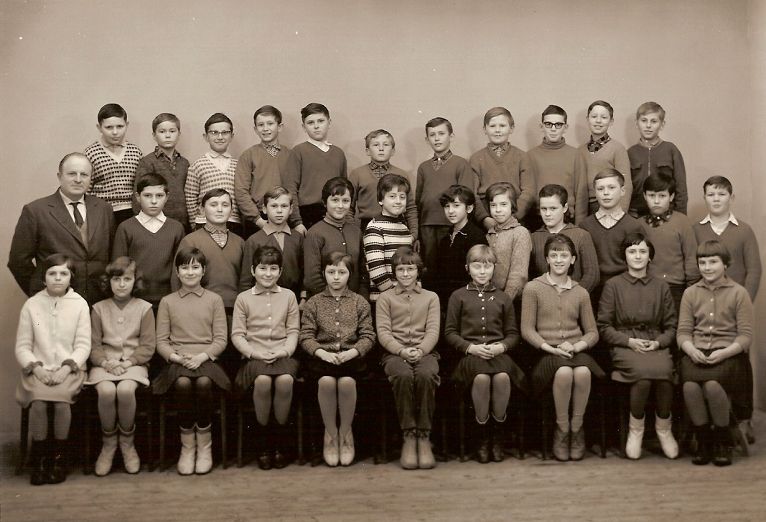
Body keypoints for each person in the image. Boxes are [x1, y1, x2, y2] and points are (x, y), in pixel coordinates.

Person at [521, 234, 603, 461]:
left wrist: (576, 346)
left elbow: (592, 332)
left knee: (583, 371)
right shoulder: (533, 288)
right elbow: (527, 330)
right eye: (554, 255)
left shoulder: (580, 292)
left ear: (573, 259)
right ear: (547, 259)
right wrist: (550, 348)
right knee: (564, 371)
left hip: (575, 352)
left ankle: (577, 428)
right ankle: (562, 429)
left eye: (564, 255)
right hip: (546, 354)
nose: (559, 260)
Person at [597, 233, 679, 460]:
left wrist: (658, 342)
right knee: (642, 376)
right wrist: (629, 342)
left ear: (650, 256)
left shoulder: (661, 286)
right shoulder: (613, 286)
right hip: (625, 344)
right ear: (624, 256)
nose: (637, 256)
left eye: (643, 251)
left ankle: (664, 429)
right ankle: (636, 430)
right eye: (632, 251)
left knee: (665, 373)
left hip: (654, 343)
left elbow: (671, 326)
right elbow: (604, 326)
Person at [693, 176, 761, 442]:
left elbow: (754, 270)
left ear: (731, 198)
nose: (716, 199)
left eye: (721, 194)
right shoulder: (696, 230)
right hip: (705, 307)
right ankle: (708, 421)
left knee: (740, 360)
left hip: (735, 308)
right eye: (711, 194)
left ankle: (743, 419)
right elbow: (693, 268)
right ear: (705, 198)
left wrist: (743, 304)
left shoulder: (744, 231)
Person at [153, 247, 230, 475]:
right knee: (183, 384)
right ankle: (187, 446)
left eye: (195, 267)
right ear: (177, 272)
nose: (190, 272)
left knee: (204, 383)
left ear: (203, 271)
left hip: (206, 359)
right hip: (178, 361)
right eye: (184, 267)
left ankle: (204, 445)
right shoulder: (168, 302)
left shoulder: (214, 300)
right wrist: (176, 357)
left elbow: (220, 339)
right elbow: (161, 341)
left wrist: (201, 357)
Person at [15, 254, 90, 485]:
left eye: (63, 273)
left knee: (60, 402)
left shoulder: (79, 304)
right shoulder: (32, 305)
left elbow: (83, 345)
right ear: (43, 277)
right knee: (38, 402)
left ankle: (58, 459)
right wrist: (36, 368)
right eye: (52, 273)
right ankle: (39, 459)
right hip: (38, 369)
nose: (58, 278)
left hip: (70, 370)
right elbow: (23, 346)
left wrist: (66, 368)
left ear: (71, 278)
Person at [445, 245, 523, 463]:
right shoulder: (458, 296)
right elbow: (450, 332)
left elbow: (513, 334)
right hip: (471, 357)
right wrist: (471, 348)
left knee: (502, 377)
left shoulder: (503, 298)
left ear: (494, 269)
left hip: (498, 355)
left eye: (487, 267)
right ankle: (481, 435)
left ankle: (496, 434)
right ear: (467, 268)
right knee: (481, 378)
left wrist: (501, 347)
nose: (482, 271)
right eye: (477, 266)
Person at [678, 240, 753, 466]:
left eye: (713, 262)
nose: (707, 267)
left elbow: (745, 336)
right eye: (702, 263)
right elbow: (683, 332)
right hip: (697, 352)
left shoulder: (739, 293)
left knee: (712, 385)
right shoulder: (690, 293)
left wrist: (724, 353)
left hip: (729, 354)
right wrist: (691, 350)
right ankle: (704, 440)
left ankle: (722, 440)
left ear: (725, 264)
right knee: (690, 386)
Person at [300, 252, 375, 467]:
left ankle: (345, 433)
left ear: (350, 274)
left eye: (341, 272)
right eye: (331, 272)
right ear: (324, 273)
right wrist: (321, 352)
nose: (336, 277)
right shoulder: (314, 302)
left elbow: (368, 335)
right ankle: (331, 434)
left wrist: (354, 352)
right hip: (322, 359)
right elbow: (305, 336)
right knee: (325, 382)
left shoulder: (359, 302)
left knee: (347, 382)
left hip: (351, 359)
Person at [8, 152, 114, 305]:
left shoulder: (104, 209)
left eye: (84, 174)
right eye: (72, 174)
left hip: (99, 302)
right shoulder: (36, 211)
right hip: (55, 302)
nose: (78, 179)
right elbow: (18, 261)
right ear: (59, 176)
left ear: (91, 178)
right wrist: (41, 293)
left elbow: (112, 255)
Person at [232, 246, 300, 470]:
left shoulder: (289, 296)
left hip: (282, 354)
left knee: (285, 380)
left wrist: (284, 351)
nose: (268, 274)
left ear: (280, 272)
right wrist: (254, 353)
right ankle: (263, 441)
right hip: (254, 357)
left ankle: (279, 440)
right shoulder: (243, 299)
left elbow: (293, 331)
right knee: (262, 380)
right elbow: (238, 335)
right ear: (253, 270)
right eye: (262, 268)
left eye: (273, 269)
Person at [87, 257, 156, 476]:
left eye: (127, 279)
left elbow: (148, 346)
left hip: (133, 363)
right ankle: (108, 445)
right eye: (116, 279)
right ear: (108, 282)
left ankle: (127, 444)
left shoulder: (144, 308)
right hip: (104, 364)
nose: (122, 284)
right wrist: (106, 362)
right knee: (107, 391)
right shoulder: (98, 309)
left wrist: (128, 362)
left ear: (135, 281)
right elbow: (93, 345)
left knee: (126, 389)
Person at [376, 247, 440, 469]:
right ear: (394, 272)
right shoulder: (385, 298)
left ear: (418, 271)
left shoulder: (431, 297)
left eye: (410, 269)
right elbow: (383, 332)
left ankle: (424, 435)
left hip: (425, 352)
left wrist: (421, 350)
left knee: (426, 374)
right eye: (400, 269)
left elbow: (433, 330)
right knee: (403, 375)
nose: (405, 274)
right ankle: (409, 434)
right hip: (395, 353)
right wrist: (401, 351)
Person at [416, 117, 486, 279]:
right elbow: (418, 201)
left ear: (451, 136)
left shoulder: (460, 164)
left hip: (449, 224)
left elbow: (466, 196)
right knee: (429, 267)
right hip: (427, 226)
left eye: (441, 134)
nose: (437, 138)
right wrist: (418, 232)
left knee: (448, 267)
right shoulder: (423, 167)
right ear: (427, 139)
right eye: (432, 135)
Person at [113, 172, 185, 309]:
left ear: (167, 197)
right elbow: (119, 269)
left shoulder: (176, 228)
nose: (153, 201)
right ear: (137, 197)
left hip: (168, 300)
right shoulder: (126, 228)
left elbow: (179, 268)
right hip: (134, 301)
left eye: (159, 196)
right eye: (147, 195)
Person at [174, 188, 244, 315]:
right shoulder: (190, 241)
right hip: (199, 309)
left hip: (235, 309)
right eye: (213, 205)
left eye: (225, 205)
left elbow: (246, 280)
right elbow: (177, 279)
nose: (219, 209)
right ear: (202, 209)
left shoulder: (240, 242)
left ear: (232, 210)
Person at [580, 169, 643, 308]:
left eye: (611, 187)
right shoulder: (585, 226)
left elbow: (639, 265)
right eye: (600, 189)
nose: (606, 193)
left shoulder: (633, 226)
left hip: (625, 290)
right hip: (593, 291)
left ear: (622, 191)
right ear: (595, 192)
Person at [639, 172, 699, 314]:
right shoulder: (639, 225)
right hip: (645, 287)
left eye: (662, 196)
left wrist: (690, 289)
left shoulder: (682, 222)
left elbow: (691, 258)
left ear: (671, 196)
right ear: (644, 196)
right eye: (652, 195)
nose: (656, 201)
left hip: (676, 288)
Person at [283, 103, 347, 231]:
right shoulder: (298, 151)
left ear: (329, 122)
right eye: (310, 123)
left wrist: (346, 217)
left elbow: (345, 189)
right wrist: (296, 221)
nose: (316, 126)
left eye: (321, 121)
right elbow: (290, 188)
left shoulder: (338, 153)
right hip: (307, 215)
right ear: (304, 127)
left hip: (335, 212)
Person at [470, 107, 536, 227]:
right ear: (485, 129)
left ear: (511, 128)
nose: (497, 130)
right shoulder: (476, 158)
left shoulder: (522, 156)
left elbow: (529, 191)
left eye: (502, 125)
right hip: (487, 222)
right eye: (492, 126)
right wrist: (484, 219)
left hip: (516, 221)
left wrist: (513, 217)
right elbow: (472, 194)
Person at [348, 129, 418, 240]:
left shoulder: (401, 175)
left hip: (397, 225)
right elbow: (348, 208)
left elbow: (410, 208)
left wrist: (414, 233)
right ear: (367, 151)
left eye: (386, 145)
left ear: (393, 151)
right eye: (376, 145)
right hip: (367, 226)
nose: (381, 148)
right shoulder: (357, 174)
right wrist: (353, 234)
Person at [529, 184, 599, 293]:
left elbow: (592, 275)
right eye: (544, 209)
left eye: (553, 208)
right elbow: (530, 276)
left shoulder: (581, 235)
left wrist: (572, 297)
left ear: (565, 208)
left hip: (575, 298)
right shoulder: (533, 238)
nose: (547, 214)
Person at [234, 105, 291, 237]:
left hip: (285, 215)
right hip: (257, 219)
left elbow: (294, 189)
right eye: (261, 125)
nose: (265, 128)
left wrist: (294, 219)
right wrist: (258, 220)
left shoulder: (290, 155)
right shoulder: (248, 155)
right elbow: (241, 191)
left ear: (280, 127)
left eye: (270, 123)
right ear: (255, 129)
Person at [527, 105, 588, 225]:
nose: (553, 129)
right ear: (541, 126)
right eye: (548, 124)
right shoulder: (530, 156)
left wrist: (579, 224)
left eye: (558, 124)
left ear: (565, 127)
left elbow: (581, 193)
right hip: (538, 218)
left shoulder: (576, 155)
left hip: (567, 218)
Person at [303, 177, 363, 298]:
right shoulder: (314, 233)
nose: (340, 206)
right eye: (335, 200)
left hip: (355, 302)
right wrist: (332, 301)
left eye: (345, 201)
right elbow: (312, 278)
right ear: (325, 202)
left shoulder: (356, 232)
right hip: (324, 301)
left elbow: (363, 273)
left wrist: (360, 300)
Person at [239, 186, 304, 299]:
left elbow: (304, 272)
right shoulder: (254, 240)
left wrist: (303, 298)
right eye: (274, 206)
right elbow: (246, 279)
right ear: (264, 209)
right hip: (262, 299)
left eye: (284, 206)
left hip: (293, 298)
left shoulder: (297, 238)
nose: (279, 211)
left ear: (291, 209)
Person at [84, 103, 142, 226]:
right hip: (101, 212)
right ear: (99, 127)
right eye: (109, 127)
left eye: (120, 126)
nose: (115, 132)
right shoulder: (91, 153)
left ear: (127, 125)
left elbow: (140, 187)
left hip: (132, 212)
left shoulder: (135, 152)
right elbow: (85, 190)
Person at [185, 113, 242, 236]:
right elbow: (190, 199)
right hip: (204, 223)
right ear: (206, 136)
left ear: (232, 136)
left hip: (233, 223)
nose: (220, 137)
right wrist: (195, 226)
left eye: (225, 132)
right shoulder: (197, 165)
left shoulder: (239, 165)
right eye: (214, 133)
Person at [628, 101, 688, 217]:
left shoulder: (671, 150)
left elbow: (681, 187)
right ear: (637, 123)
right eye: (644, 120)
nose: (648, 125)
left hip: (667, 213)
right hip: (636, 213)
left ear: (662, 124)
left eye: (654, 121)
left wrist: (680, 217)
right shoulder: (630, 153)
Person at [134, 113, 191, 231]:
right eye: (162, 131)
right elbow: (138, 196)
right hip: (156, 223)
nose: (168, 135)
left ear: (179, 134)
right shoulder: (147, 162)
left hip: (183, 223)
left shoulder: (185, 163)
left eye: (172, 131)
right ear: (154, 135)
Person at [363, 173, 414, 302]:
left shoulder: (404, 229)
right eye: (392, 196)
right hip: (384, 300)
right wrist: (395, 296)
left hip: (406, 298)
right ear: (381, 200)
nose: (398, 201)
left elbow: (411, 265)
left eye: (402, 197)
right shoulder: (375, 228)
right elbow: (376, 270)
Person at [578, 100, 632, 214]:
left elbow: (626, 185)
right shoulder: (580, 151)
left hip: (610, 206)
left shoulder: (618, 149)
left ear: (611, 121)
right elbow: (579, 190)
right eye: (594, 117)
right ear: (587, 119)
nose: (598, 121)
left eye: (603, 117)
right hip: (586, 207)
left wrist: (620, 215)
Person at [484, 182, 531, 301]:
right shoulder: (489, 234)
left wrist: (504, 301)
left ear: (512, 205)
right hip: (488, 298)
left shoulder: (520, 233)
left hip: (509, 301)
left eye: (503, 204)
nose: (498, 210)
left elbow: (518, 275)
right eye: (493, 205)